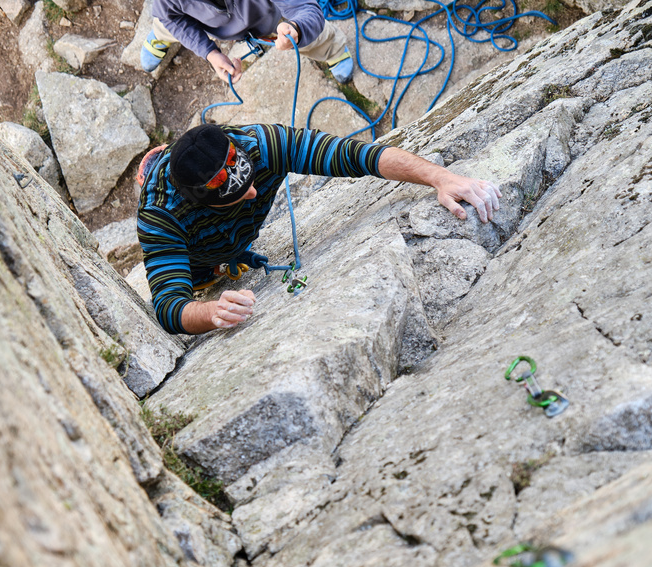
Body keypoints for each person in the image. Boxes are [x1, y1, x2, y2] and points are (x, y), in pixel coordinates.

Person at [136, 123, 501, 336]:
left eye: (251, 182)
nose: (252, 192)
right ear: (202, 200)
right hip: (196, 249)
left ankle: (225, 250)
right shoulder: (160, 217)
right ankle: (153, 167)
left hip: (229, 235)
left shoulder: (264, 143)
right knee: (201, 274)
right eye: (236, 195)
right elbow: (169, 307)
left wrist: (440, 177)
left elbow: (356, 155)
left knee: (232, 250)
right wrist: (211, 311)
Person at [141, 0, 354, 85]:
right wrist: (209, 52)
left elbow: (306, 9)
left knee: (312, 36)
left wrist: (297, 28)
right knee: (166, 24)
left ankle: (333, 51)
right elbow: (171, 16)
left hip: (268, 18)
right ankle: (160, 37)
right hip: (203, 19)